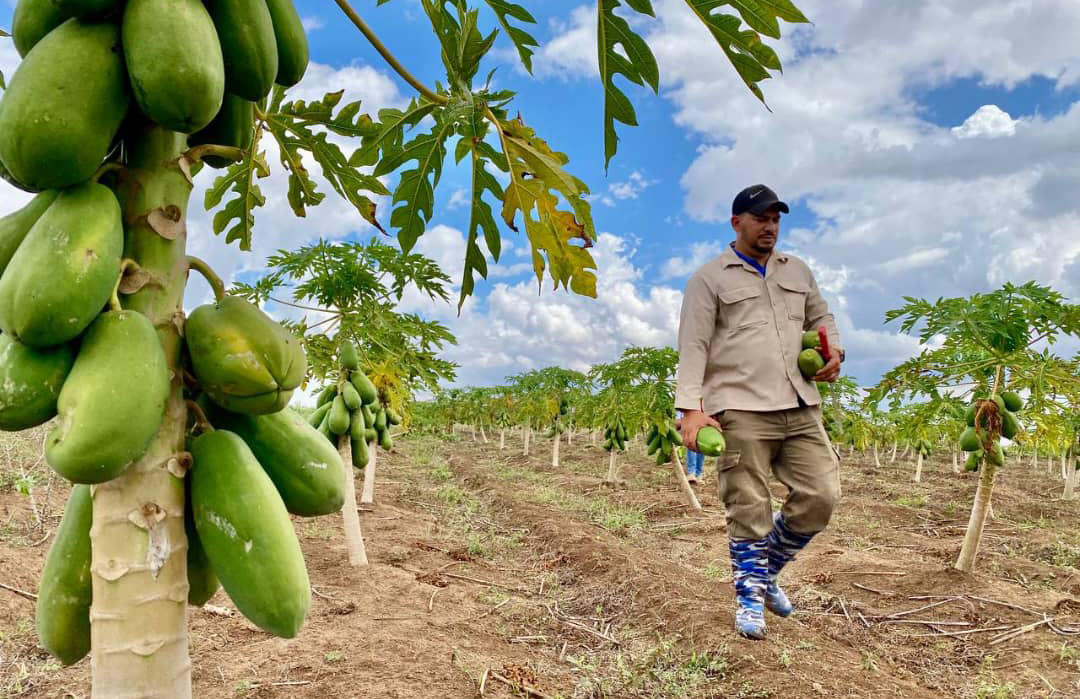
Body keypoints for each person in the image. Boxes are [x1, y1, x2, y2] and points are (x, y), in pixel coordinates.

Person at [675, 184, 844, 640]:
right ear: (737, 222)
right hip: (740, 407)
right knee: (749, 507)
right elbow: (693, 345)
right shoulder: (709, 279)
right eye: (760, 218)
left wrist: (833, 350)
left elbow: (821, 319)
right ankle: (749, 597)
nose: (770, 226)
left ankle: (765, 571)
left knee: (821, 496)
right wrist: (690, 410)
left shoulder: (798, 271)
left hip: (800, 403)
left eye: (775, 219)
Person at [675, 411, 705, 483]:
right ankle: (692, 473)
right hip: (689, 421)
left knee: (701, 447)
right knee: (691, 443)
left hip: (701, 419)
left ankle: (698, 474)